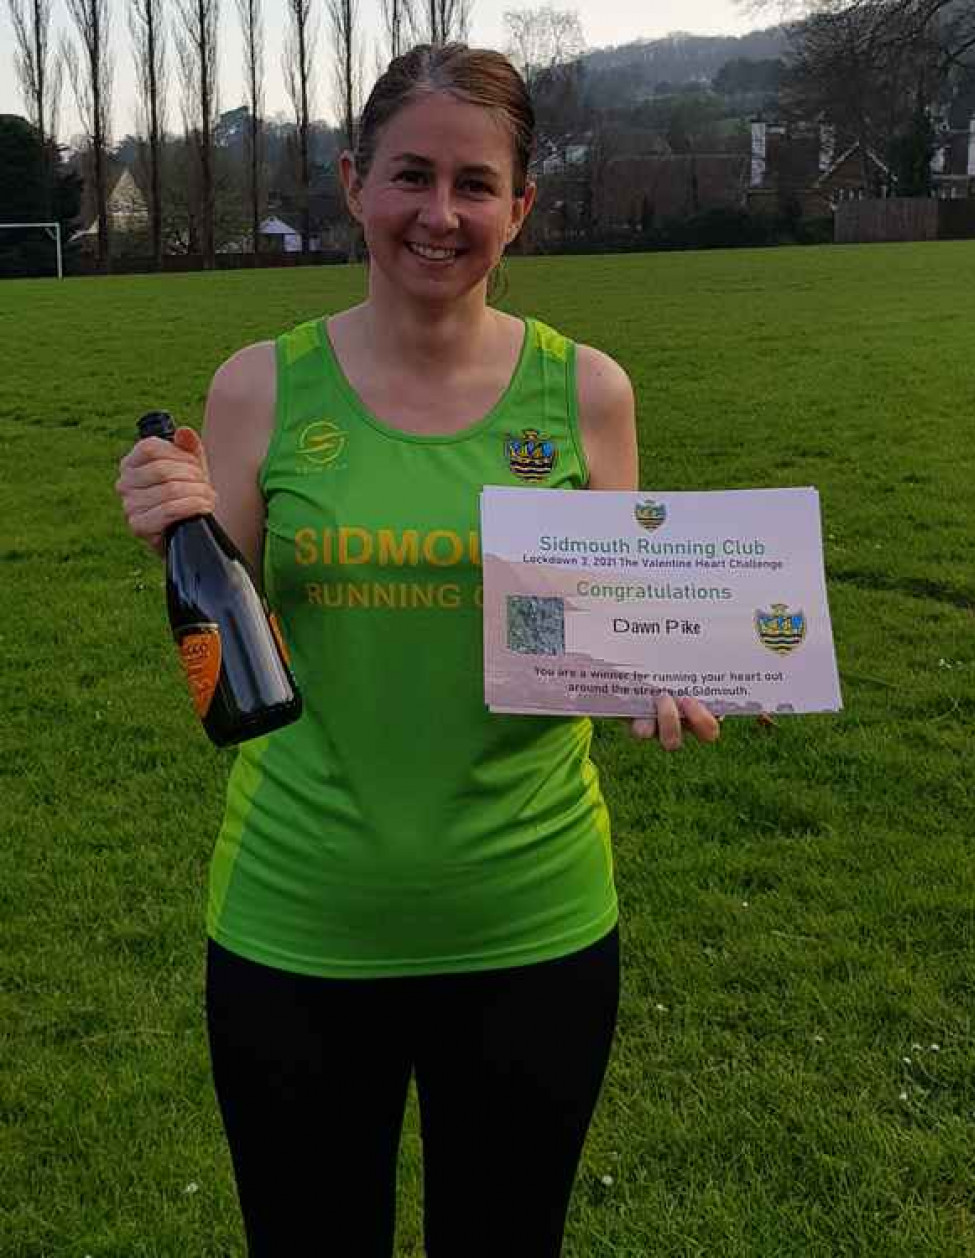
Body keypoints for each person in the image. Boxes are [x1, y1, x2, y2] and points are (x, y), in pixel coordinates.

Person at [116, 43, 720, 1258]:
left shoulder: (588, 394)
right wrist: (167, 520)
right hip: (297, 920)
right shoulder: (256, 389)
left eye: (474, 184)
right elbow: (222, 628)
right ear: (352, 182)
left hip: (532, 922)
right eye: (408, 176)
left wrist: (668, 669)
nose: (438, 216)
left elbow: (609, 617)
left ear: (522, 207)